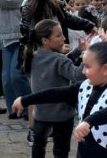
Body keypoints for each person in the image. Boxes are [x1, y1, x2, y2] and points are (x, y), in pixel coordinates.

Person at [13, 32, 107, 157]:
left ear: (106, 69)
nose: (83, 71)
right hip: (86, 149)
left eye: (87, 67)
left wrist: (89, 122)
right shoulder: (86, 85)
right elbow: (57, 93)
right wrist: (25, 100)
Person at [22, 19, 87, 158]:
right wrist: (85, 55)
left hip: (40, 113)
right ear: (45, 40)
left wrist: (76, 51)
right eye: (59, 35)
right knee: (61, 151)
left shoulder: (32, 56)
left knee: (38, 147)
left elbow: (59, 63)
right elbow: (76, 75)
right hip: (62, 114)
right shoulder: (59, 59)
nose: (64, 38)